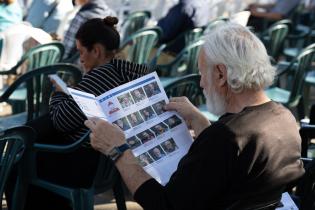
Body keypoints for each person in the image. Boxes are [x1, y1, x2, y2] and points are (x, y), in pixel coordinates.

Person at [85, 22, 305, 210]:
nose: (201, 83)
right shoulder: (284, 116)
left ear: (220, 74)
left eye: (202, 73)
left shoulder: (225, 137)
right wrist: (201, 123)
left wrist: (119, 151)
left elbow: (163, 205)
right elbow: (233, 162)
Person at [5, 16, 153, 210]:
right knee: (33, 135)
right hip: (112, 163)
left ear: (97, 51)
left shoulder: (102, 75)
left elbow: (61, 121)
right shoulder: (133, 72)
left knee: (17, 164)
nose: (81, 59)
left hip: (87, 164)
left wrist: (59, 94)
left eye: (82, 52)